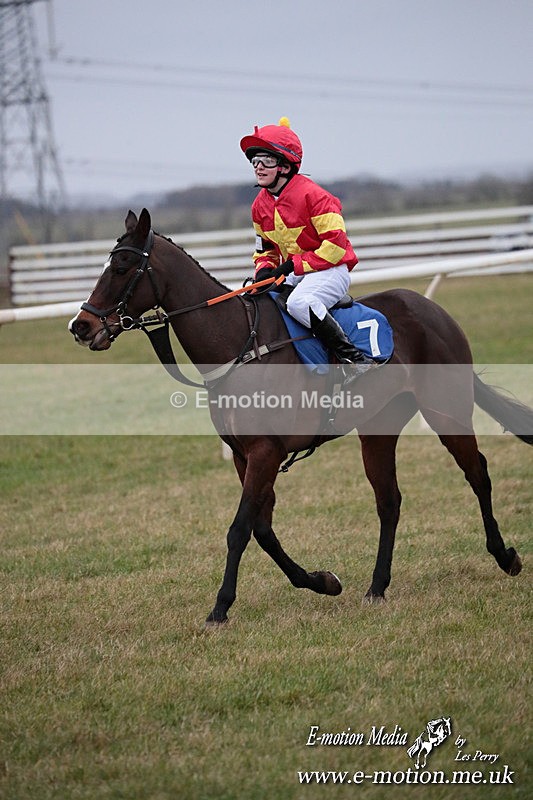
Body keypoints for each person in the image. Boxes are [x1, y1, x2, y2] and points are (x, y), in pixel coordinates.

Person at [240, 116, 376, 374]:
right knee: (254, 300)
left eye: (266, 160)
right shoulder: (259, 205)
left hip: (330, 271)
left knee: (299, 304)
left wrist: (293, 265)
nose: (259, 167)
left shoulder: (316, 196)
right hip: (296, 274)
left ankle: (353, 359)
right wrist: (264, 270)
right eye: (254, 161)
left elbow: (336, 247)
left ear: (285, 165)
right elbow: (265, 250)